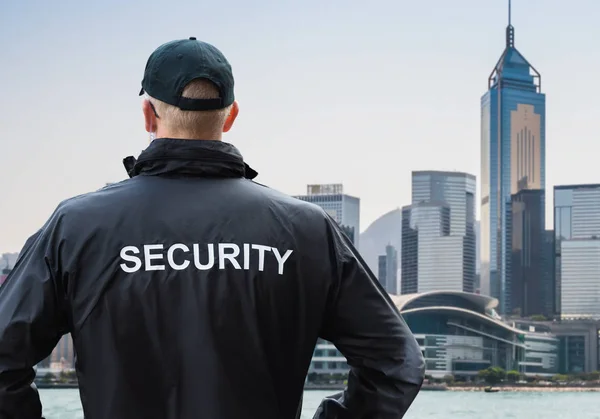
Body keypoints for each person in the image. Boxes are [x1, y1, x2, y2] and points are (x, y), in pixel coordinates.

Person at [0, 37, 424, 419]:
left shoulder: (77, 226)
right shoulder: (306, 229)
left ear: (148, 114)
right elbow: (396, 362)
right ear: (232, 115)